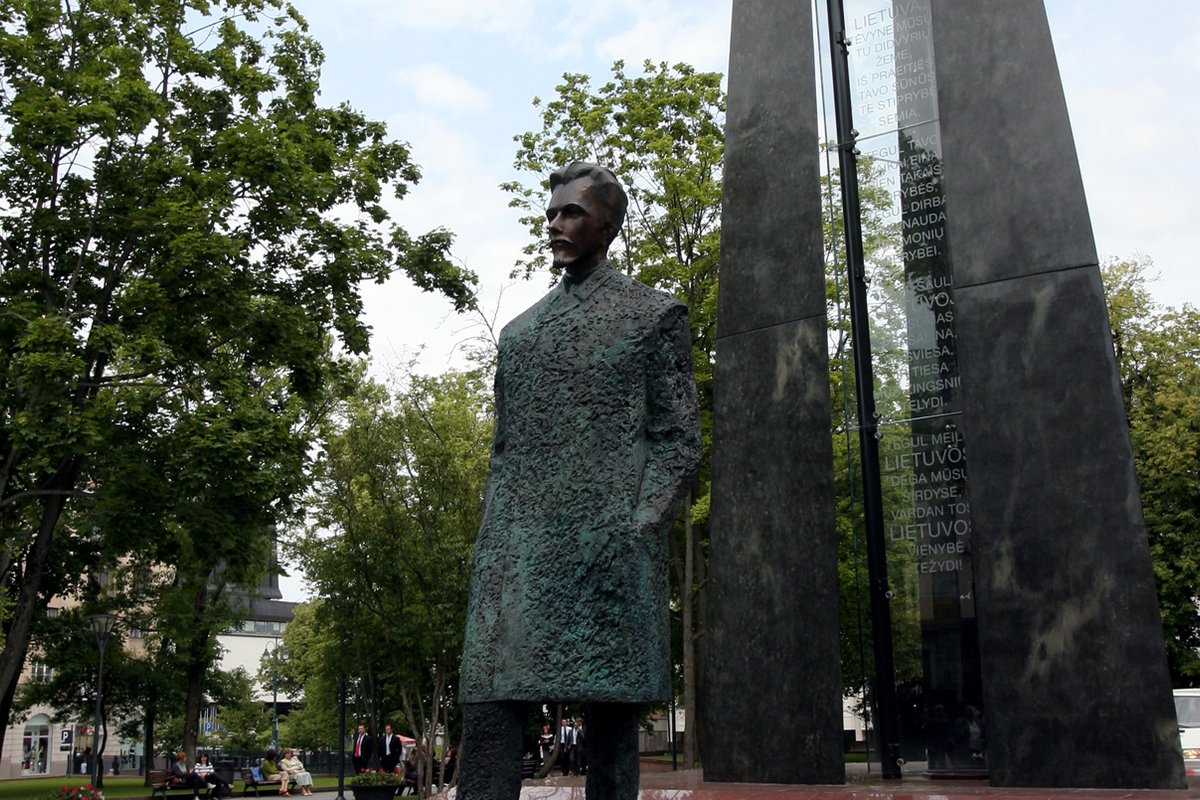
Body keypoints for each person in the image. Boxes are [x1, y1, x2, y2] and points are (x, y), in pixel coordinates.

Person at [456, 161, 701, 800]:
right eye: (551, 214)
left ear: (608, 225)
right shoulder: (520, 335)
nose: (555, 225)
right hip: (516, 551)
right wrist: (491, 545)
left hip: (607, 547)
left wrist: (638, 529)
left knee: (611, 721)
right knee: (489, 700)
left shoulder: (652, 316)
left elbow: (679, 442)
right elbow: (503, 452)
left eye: (572, 213)